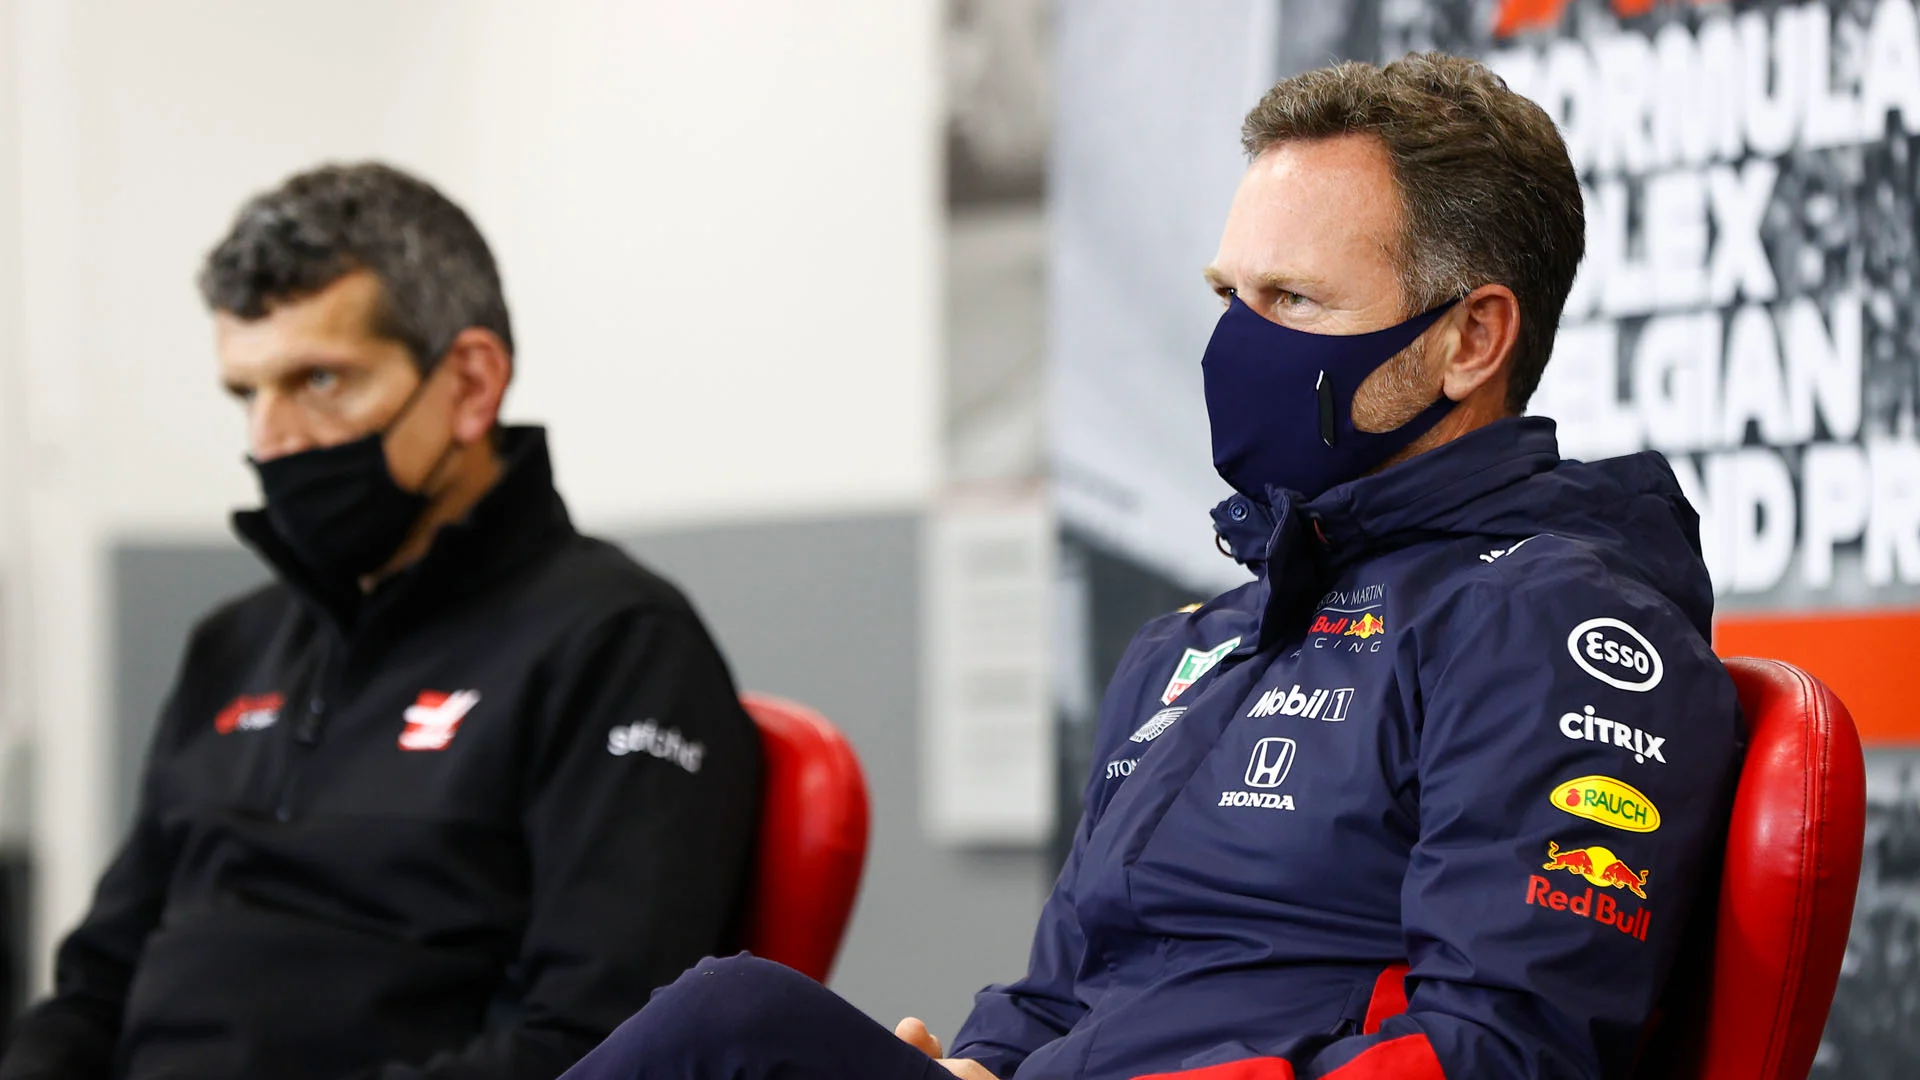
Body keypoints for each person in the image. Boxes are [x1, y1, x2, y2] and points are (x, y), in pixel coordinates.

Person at [555, 52, 1745, 1080]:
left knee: (735, 1024)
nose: (1238, 343)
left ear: (1471, 338)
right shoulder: (1200, 643)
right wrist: (981, 1062)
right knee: (750, 1028)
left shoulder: (1549, 619)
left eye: (1294, 300)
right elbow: (1066, 988)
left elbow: (1500, 1048)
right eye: (1232, 294)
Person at [0, 163, 762, 1080]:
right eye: (247, 393)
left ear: (471, 383)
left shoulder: (617, 647)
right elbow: (95, 987)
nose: (270, 440)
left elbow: (589, 1043)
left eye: (320, 379)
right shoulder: (234, 645)